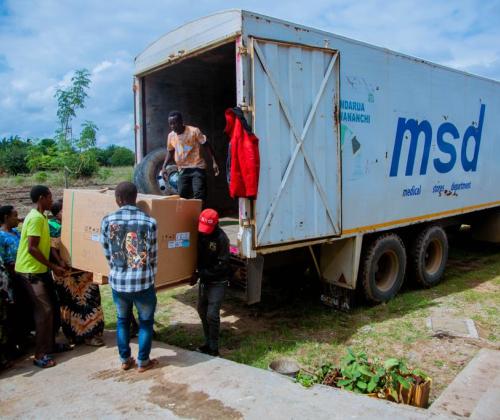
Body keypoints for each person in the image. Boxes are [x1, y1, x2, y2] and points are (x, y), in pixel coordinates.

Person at [100, 182, 158, 372]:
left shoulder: (107, 220)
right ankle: (143, 362)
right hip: (143, 281)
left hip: (119, 282)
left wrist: (116, 269)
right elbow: (153, 255)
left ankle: (125, 360)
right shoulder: (149, 222)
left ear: (118, 199)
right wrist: (150, 275)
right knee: (146, 322)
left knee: (122, 321)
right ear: (136, 198)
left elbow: (107, 251)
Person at [15, 185, 70, 368]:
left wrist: (54, 264)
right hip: (30, 272)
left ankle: (50, 345)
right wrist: (53, 266)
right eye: (49, 197)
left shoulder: (42, 217)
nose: (51, 200)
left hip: (40, 270)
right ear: (41, 198)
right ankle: (39, 355)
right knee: (44, 311)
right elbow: (32, 248)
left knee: (53, 307)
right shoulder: (35, 219)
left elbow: (45, 246)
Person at [49, 199, 105, 347]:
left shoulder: (78, 224)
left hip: (84, 272)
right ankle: (74, 335)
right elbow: (52, 248)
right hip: (66, 274)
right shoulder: (53, 227)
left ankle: (91, 334)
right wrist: (60, 262)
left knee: (90, 301)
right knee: (71, 304)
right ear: (58, 214)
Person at [192, 208, 231, 357]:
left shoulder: (222, 238)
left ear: (216, 224)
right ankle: (207, 342)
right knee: (202, 311)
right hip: (205, 280)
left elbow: (223, 266)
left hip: (218, 281)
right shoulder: (201, 234)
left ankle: (214, 348)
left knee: (212, 314)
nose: (204, 231)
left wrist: (201, 273)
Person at [161, 111, 219, 202]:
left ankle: (200, 215)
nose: (172, 126)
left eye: (175, 123)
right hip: (182, 169)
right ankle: (187, 215)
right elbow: (170, 151)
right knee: (182, 195)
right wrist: (164, 166)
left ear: (181, 121)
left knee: (199, 194)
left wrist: (214, 162)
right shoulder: (171, 136)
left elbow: (206, 145)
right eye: (170, 124)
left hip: (197, 167)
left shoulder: (194, 131)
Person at [0, 205, 33, 358]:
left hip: (23, 275)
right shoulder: (1, 236)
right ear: (6, 217)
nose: (17, 218)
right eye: (15, 215)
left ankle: (26, 337)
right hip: (11, 279)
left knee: (25, 308)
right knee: (14, 312)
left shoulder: (15, 232)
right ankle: (17, 343)